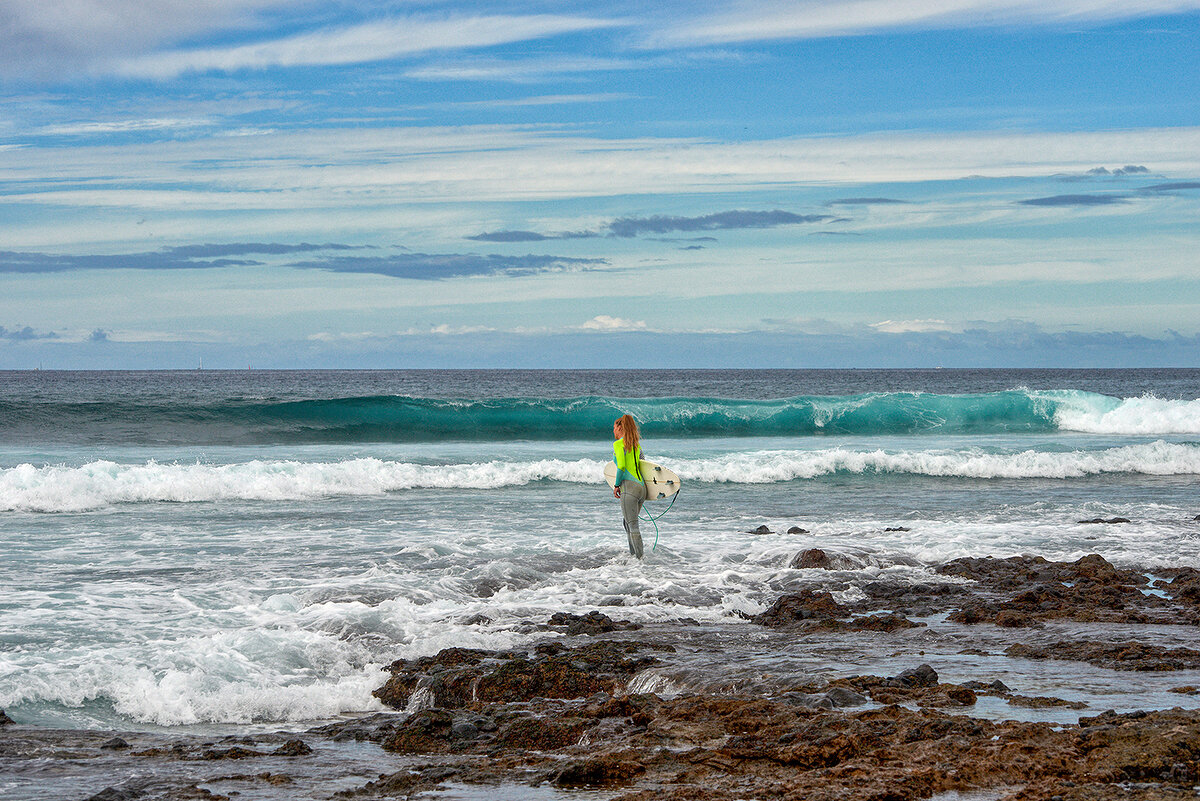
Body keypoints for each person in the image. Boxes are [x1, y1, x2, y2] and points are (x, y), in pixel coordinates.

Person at [612, 414, 646, 559]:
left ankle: (639, 560)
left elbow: (621, 467)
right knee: (627, 523)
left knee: (632, 526)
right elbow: (644, 464)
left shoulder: (618, 444)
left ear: (619, 428)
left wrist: (616, 485)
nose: (613, 431)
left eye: (614, 428)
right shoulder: (636, 445)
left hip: (629, 489)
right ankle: (634, 556)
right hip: (642, 489)